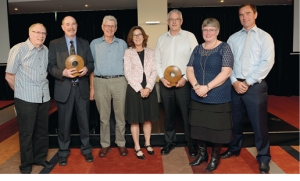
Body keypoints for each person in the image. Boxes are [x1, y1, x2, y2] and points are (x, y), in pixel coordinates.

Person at [220, 3, 275, 174]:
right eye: (241, 15)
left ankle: (264, 157)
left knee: (259, 124)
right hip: (235, 85)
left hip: (255, 87)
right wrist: (235, 81)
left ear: (255, 15)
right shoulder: (233, 38)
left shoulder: (265, 38)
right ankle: (234, 148)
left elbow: (267, 63)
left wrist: (247, 82)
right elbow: (227, 62)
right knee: (235, 121)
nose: (244, 17)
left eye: (248, 13)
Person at [186, 18, 234, 172]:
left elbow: (226, 72)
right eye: (205, 29)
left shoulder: (224, 48)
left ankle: (214, 157)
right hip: (198, 94)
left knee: (217, 129)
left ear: (217, 32)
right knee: (199, 127)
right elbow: (189, 69)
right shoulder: (197, 49)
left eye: (211, 30)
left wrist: (207, 87)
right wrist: (196, 86)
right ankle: (202, 155)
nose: (208, 33)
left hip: (218, 96)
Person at [5, 23, 53, 174]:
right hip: (25, 98)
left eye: (43, 33)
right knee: (27, 133)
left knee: (42, 131)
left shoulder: (45, 50)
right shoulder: (18, 49)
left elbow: (45, 72)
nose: (41, 35)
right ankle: (26, 164)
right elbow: (9, 75)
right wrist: (21, 91)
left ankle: (40, 158)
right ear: (29, 33)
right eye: (37, 32)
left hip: (44, 97)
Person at [48, 16, 94, 166]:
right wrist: (63, 73)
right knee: (64, 124)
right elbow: (51, 67)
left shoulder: (84, 43)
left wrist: (87, 68)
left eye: (73, 24)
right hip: (64, 89)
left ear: (77, 25)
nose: (71, 27)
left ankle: (87, 150)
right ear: (62, 27)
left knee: (84, 123)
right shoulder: (54, 44)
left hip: (82, 89)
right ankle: (63, 152)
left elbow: (91, 63)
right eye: (67, 24)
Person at [155, 9, 198, 157]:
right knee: (168, 114)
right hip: (165, 84)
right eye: (171, 19)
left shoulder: (189, 37)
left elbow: (195, 59)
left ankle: (191, 143)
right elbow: (157, 61)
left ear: (181, 21)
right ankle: (169, 141)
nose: (174, 21)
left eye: (177, 19)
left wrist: (185, 78)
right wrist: (161, 78)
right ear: (167, 22)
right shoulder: (161, 39)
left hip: (184, 83)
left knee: (187, 115)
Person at [89, 15, 128, 157]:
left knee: (120, 116)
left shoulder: (123, 44)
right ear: (102, 27)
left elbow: (128, 65)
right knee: (104, 117)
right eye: (107, 26)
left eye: (113, 26)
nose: (110, 28)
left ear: (116, 28)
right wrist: (92, 88)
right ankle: (105, 144)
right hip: (100, 82)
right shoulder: (94, 44)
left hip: (119, 81)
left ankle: (121, 143)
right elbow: (91, 67)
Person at [124, 26, 159, 160]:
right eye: (134, 35)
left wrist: (148, 88)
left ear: (143, 36)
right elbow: (128, 73)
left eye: (139, 34)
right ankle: (137, 146)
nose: (137, 37)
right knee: (135, 119)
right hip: (134, 90)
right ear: (131, 38)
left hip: (149, 88)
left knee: (147, 118)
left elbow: (154, 71)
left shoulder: (150, 52)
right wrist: (140, 89)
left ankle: (148, 143)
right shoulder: (128, 52)